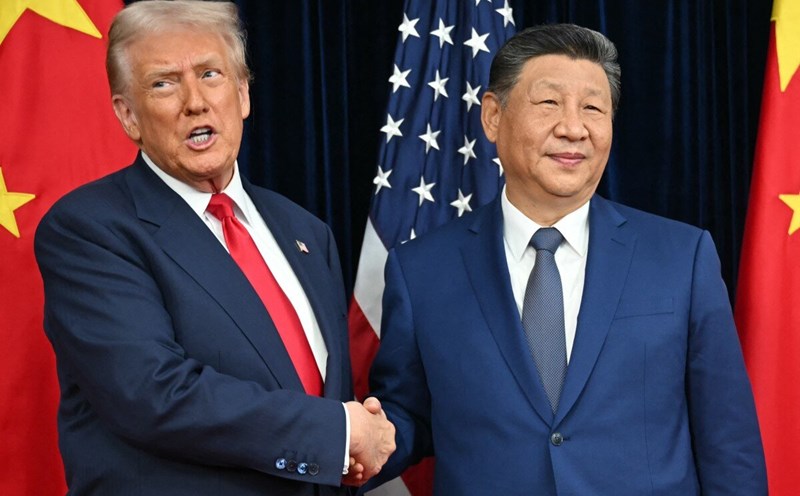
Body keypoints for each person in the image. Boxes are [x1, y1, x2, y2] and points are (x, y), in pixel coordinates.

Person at [364, 24, 767, 495]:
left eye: (593, 108)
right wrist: (361, 443)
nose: (573, 128)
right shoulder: (421, 271)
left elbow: (729, 442)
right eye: (550, 103)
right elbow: (409, 416)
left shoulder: (681, 258)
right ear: (493, 116)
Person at [34, 1, 394, 494]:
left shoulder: (306, 232)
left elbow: (320, 391)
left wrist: (343, 447)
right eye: (164, 82)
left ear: (243, 93)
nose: (195, 102)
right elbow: (152, 393)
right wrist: (339, 432)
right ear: (128, 115)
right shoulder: (90, 229)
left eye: (211, 74)